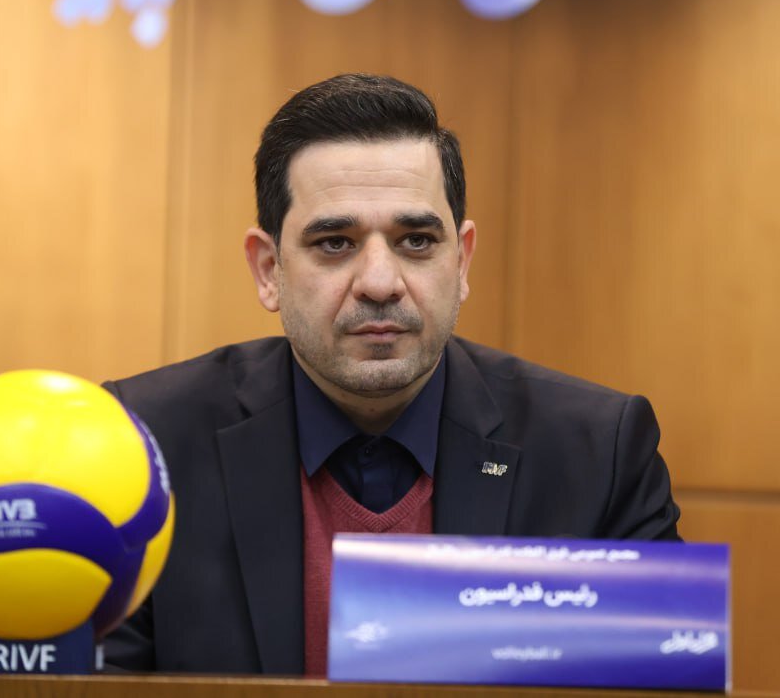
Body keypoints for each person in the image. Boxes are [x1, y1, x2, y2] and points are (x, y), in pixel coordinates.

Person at [102, 73, 680, 676]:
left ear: (462, 261)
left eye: (416, 241)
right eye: (335, 243)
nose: (380, 283)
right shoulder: (144, 446)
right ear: (269, 269)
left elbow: (660, 682)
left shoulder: (599, 453)